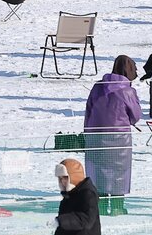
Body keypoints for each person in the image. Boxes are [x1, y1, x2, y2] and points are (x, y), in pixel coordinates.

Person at [82, 56, 140, 217]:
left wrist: (87, 132)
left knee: (98, 172)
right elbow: (136, 116)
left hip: (96, 135)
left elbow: (88, 110)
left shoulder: (97, 87)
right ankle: (117, 207)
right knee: (119, 172)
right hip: (119, 137)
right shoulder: (127, 91)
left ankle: (100, 207)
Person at [51, 158, 101, 235]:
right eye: (60, 178)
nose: (62, 181)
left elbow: (87, 219)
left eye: (65, 177)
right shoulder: (69, 195)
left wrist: (61, 221)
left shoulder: (88, 193)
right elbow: (64, 227)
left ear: (73, 176)